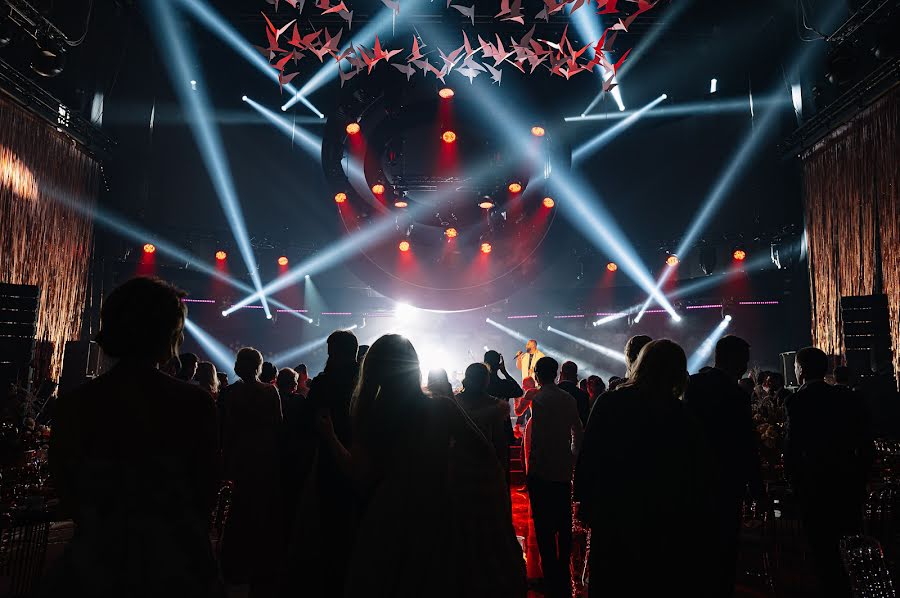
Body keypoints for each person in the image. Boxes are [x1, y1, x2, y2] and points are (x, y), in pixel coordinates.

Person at [316, 334, 526, 597]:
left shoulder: (372, 414)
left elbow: (359, 474)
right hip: (436, 509)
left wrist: (330, 438)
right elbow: (484, 451)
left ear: (373, 371)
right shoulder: (442, 407)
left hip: (389, 513)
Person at [48, 277, 219, 597]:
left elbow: (66, 488)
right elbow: (204, 490)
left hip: (96, 564)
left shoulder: (75, 404)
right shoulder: (194, 404)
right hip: (174, 565)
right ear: (168, 333)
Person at [574, 339, 712, 597]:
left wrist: (584, 500)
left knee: (611, 580)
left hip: (613, 510)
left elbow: (590, 453)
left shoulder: (610, 402)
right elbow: (696, 471)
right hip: (661, 515)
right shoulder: (681, 414)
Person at [786, 347, 872, 597]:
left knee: (822, 547)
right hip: (847, 482)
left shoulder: (797, 401)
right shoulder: (847, 397)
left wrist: (793, 481)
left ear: (800, 370)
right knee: (850, 542)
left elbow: (793, 447)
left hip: (814, 485)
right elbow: (865, 442)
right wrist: (861, 477)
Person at [682, 335, 764, 597]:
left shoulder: (693, 385)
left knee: (697, 546)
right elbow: (746, 444)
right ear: (733, 359)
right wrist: (757, 487)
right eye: (743, 360)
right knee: (726, 547)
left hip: (694, 480)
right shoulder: (736, 395)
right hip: (727, 482)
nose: (745, 365)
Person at [296, 329, 360, 596]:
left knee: (332, 520)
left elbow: (307, 420)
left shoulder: (325, 382)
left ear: (333, 351)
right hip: (365, 451)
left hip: (331, 457)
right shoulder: (366, 378)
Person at [219, 347, 283, 595]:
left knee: (238, 510)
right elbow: (278, 425)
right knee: (261, 510)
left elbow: (227, 430)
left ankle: (235, 564)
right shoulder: (270, 391)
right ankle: (260, 564)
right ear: (258, 366)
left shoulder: (231, 393)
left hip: (240, 457)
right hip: (264, 457)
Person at [527, 356, 583, 597]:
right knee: (562, 521)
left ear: (538, 374)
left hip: (540, 469)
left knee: (543, 525)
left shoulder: (536, 397)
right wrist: (572, 457)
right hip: (561, 469)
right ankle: (562, 571)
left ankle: (551, 573)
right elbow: (577, 431)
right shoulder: (567, 398)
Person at [456, 363, 514, 483]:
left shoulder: (453, 402)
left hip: (460, 462)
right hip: (485, 463)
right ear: (486, 381)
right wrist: (503, 467)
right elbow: (499, 441)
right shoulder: (496, 406)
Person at [558, 361, 591, 427]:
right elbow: (584, 421)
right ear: (575, 376)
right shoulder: (583, 395)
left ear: (561, 374)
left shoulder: (550, 392)